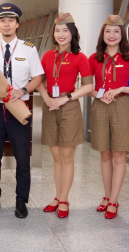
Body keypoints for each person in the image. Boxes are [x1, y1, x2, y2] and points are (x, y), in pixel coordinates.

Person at [0, 3, 43, 219]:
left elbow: (37, 77)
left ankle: (21, 200)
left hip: (19, 109)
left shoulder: (29, 49)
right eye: (2, 21)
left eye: (10, 20)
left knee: (22, 157)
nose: (6, 24)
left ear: (17, 24)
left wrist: (23, 90)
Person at [88, 15, 129, 219]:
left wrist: (123, 88)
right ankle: (107, 196)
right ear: (102, 34)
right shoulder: (94, 58)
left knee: (119, 154)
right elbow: (86, 87)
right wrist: (99, 95)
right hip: (100, 106)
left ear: (122, 35)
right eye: (108, 31)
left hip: (121, 105)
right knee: (104, 154)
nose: (112, 35)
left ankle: (114, 200)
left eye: (116, 31)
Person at [35, 13, 93, 218]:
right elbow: (38, 80)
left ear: (72, 33)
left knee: (67, 157)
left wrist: (66, 98)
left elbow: (88, 86)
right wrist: (46, 98)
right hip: (50, 106)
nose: (61, 34)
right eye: (57, 30)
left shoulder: (80, 57)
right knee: (56, 157)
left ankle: (64, 199)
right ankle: (57, 197)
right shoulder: (47, 56)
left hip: (69, 107)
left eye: (65, 30)